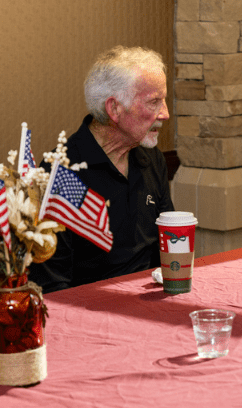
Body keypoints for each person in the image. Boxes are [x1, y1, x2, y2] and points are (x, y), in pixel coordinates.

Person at [29, 45, 174, 293]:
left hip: (149, 306)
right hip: (88, 313)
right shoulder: (63, 173)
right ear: (114, 109)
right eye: (154, 102)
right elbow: (52, 284)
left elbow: (167, 245)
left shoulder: (151, 158)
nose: (165, 114)